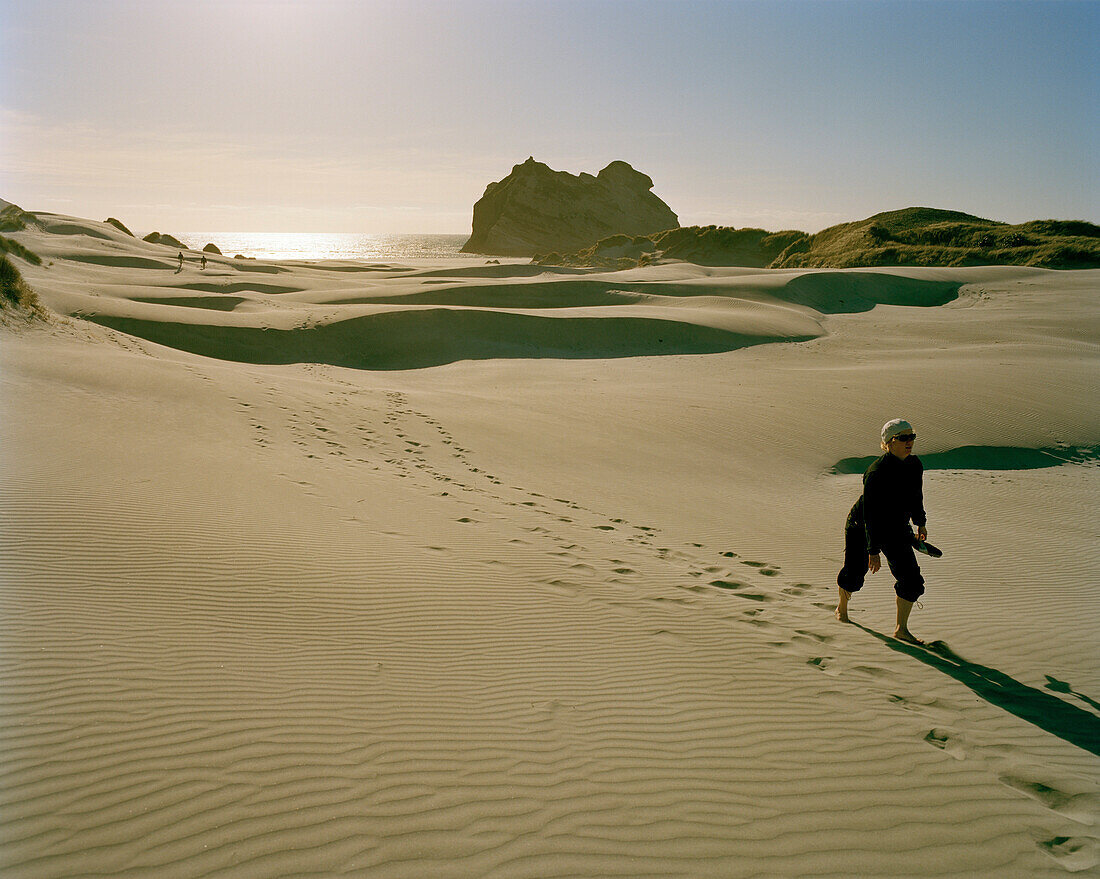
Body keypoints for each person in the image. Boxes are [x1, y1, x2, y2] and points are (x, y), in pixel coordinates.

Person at [836, 418, 928, 644]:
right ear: (888, 443)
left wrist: (920, 522)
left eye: (911, 437)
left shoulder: (914, 465)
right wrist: (873, 550)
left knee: (912, 580)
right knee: (855, 575)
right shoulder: (876, 472)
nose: (909, 442)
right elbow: (871, 515)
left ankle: (901, 629)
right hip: (862, 527)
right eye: (903, 438)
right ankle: (842, 607)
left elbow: (916, 496)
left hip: (896, 527)